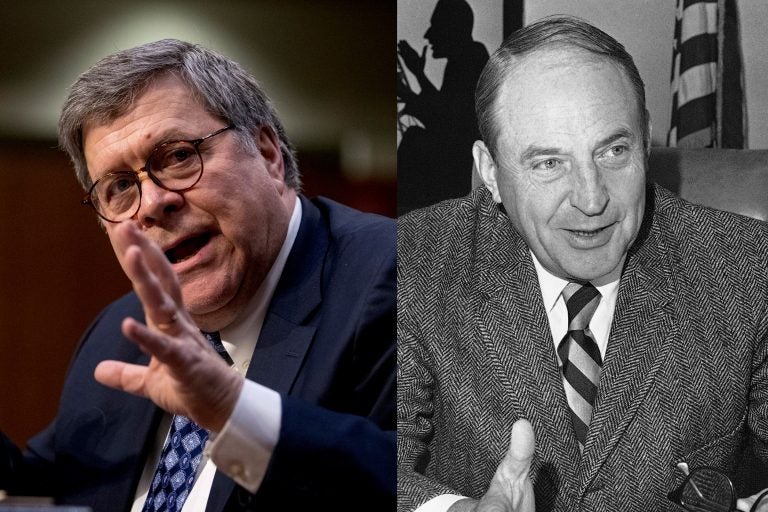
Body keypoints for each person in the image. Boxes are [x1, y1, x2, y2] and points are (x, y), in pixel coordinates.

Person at [0, 39, 395, 511]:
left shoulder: (396, 277)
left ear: (269, 155)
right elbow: (47, 490)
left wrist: (232, 410)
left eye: (179, 156)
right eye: (121, 187)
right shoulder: (119, 333)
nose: (151, 204)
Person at [397, 15, 768, 512]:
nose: (592, 200)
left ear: (646, 140)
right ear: (490, 171)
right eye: (549, 163)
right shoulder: (413, 262)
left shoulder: (745, 266)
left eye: (614, 151)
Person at [397, 0, 489, 215]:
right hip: (451, 172)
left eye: (435, 26)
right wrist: (418, 74)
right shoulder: (468, 57)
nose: (428, 35)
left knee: (413, 137)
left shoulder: (470, 59)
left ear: (452, 29)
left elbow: (444, 122)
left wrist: (412, 87)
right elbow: (442, 110)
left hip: (449, 175)